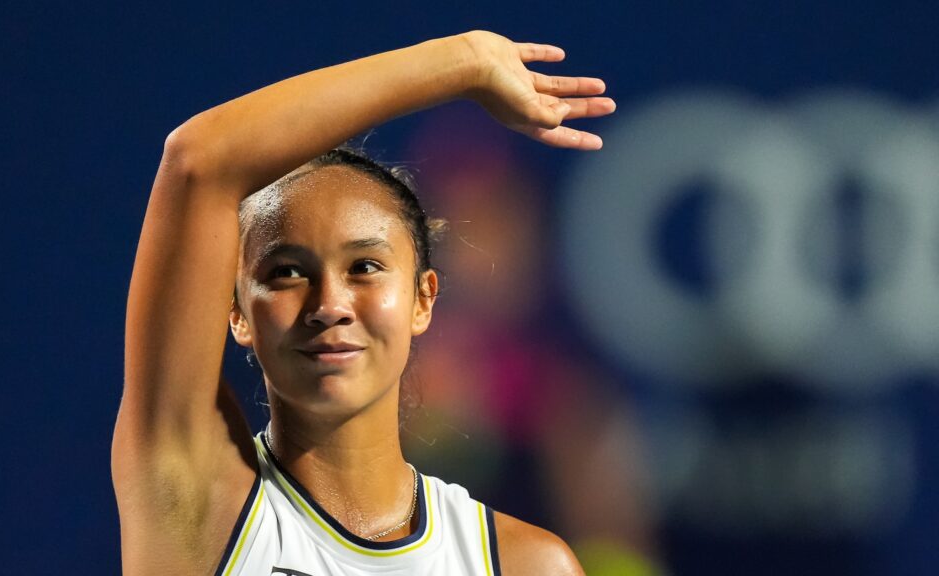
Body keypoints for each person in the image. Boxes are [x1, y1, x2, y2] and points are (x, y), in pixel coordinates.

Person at [112, 30, 615, 575]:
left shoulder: (528, 564)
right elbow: (197, 161)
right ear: (236, 312)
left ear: (424, 299)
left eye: (365, 268)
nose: (330, 304)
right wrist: (464, 62)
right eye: (287, 272)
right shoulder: (194, 501)